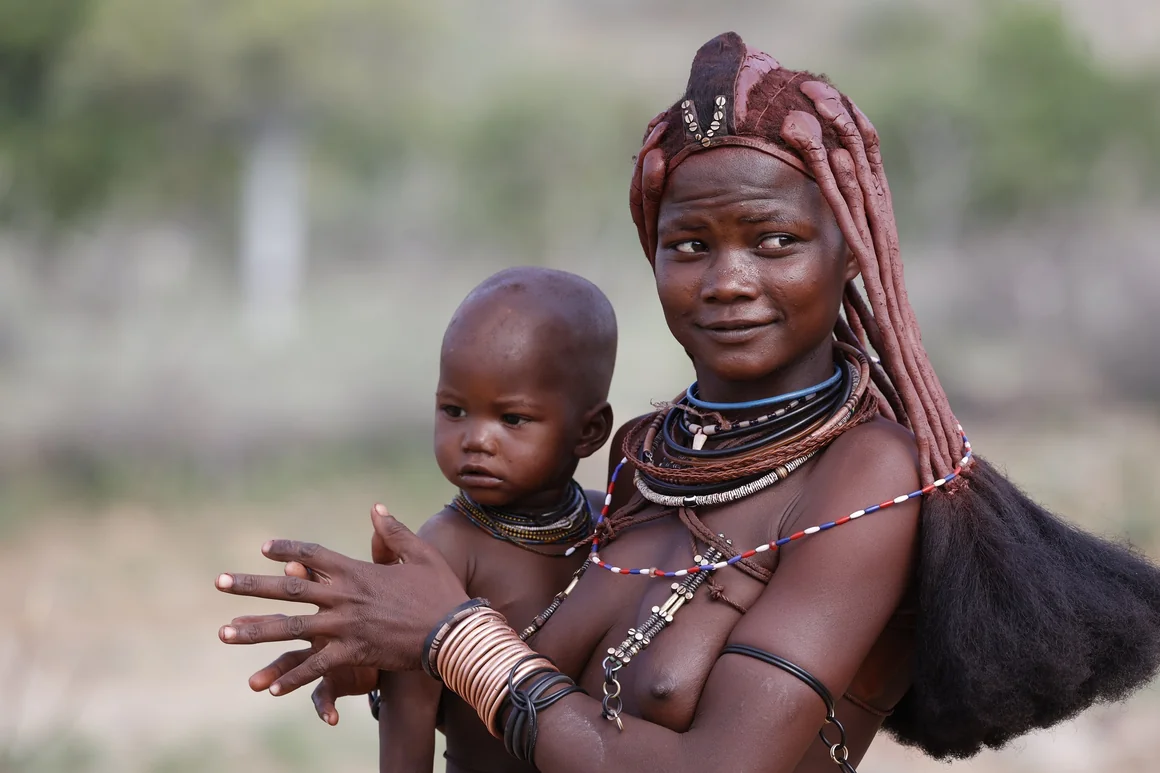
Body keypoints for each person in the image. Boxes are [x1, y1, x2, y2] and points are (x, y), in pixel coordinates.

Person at [216, 33, 1160, 773]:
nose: (728, 281)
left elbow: (716, 763)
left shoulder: (870, 473)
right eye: (691, 245)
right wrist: (384, 644)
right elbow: (536, 685)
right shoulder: (641, 462)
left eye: (774, 240)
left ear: (852, 252)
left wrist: (449, 637)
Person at [240, 266, 617, 773]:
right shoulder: (442, 549)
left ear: (589, 431)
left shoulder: (609, 523)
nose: (476, 439)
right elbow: (408, 712)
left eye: (512, 419)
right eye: (454, 410)